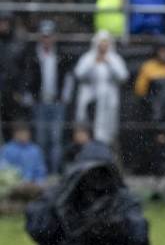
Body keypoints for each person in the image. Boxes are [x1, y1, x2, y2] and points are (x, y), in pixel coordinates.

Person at [18, 21, 74, 174]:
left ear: (54, 37)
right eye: (44, 36)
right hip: (39, 102)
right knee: (41, 139)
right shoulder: (32, 55)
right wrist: (28, 94)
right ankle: (41, 171)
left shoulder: (61, 54)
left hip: (56, 103)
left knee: (56, 140)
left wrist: (65, 96)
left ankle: (54, 171)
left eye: (49, 36)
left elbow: (68, 76)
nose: (47, 40)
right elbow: (26, 76)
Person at [73, 31, 129, 148]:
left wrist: (108, 62)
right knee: (87, 126)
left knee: (107, 129)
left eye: (105, 43)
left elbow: (123, 76)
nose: (103, 46)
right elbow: (79, 73)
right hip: (90, 99)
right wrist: (93, 62)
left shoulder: (114, 58)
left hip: (108, 101)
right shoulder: (88, 57)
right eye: (101, 43)